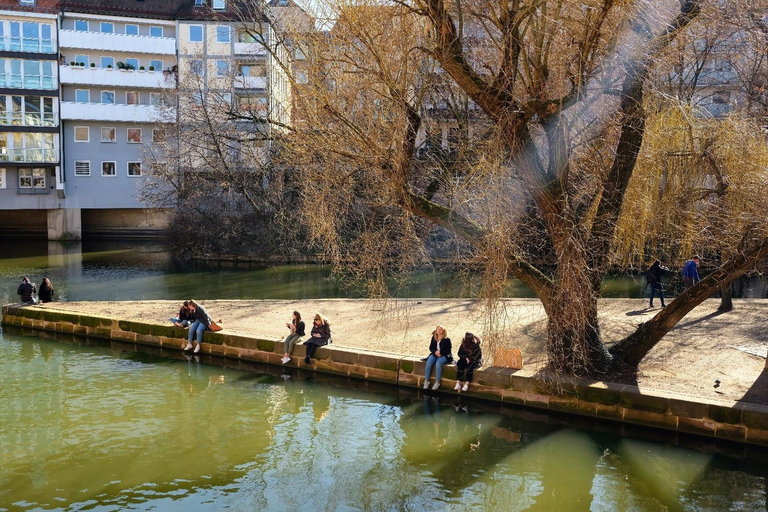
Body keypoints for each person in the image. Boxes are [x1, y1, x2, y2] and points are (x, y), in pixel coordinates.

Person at [423, 325, 452, 390]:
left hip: (444, 355)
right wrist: (435, 352)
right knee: (428, 363)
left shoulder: (447, 339)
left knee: (438, 364)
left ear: (443, 331)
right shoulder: (434, 338)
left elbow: (448, 350)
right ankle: (426, 380)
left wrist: (440, 353)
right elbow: (431, 347)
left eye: (440, 329)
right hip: (435, 354)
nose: (439, 331)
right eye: (437, 329)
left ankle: (437, 382)